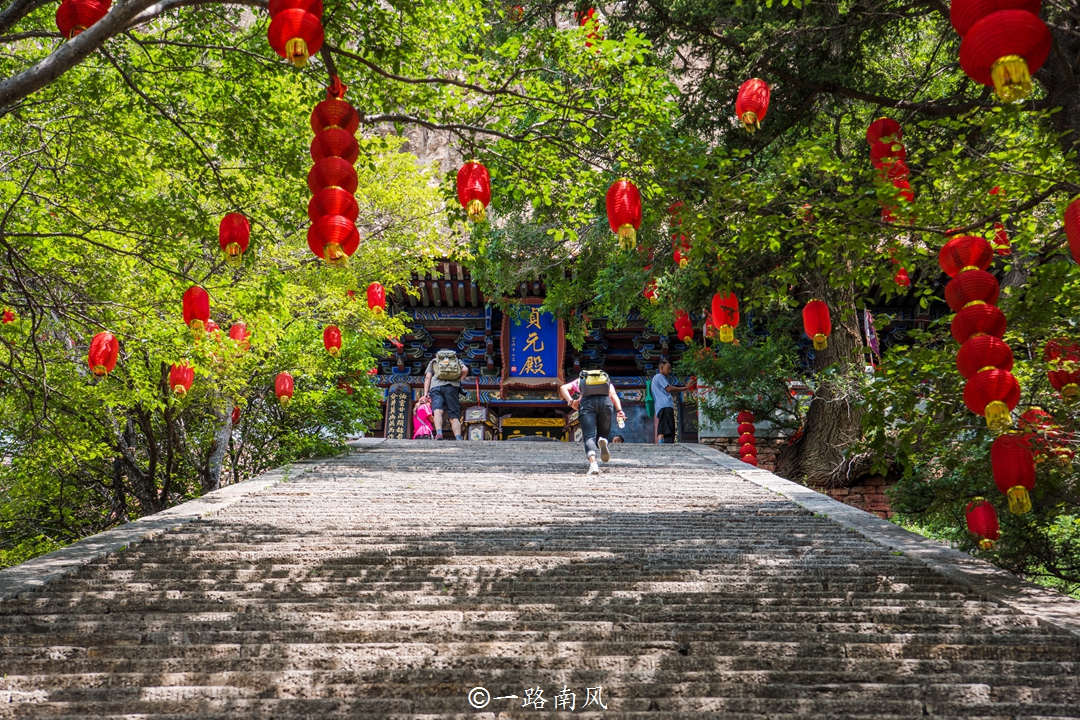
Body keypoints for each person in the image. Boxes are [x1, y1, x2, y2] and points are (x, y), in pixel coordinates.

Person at [559, 371, 626, 475]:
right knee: (603, 434)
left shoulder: (581, 380)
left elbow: (562, 388)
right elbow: (613, 395)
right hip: (605, 402)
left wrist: (571, 402)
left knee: (589, 435)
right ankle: (602, 440)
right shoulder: (605, 381)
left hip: (586, 403)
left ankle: (593, 464)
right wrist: (619, 411)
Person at [423, 350, 469, 440]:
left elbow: (428, 377)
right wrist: (459, 378)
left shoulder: (434, 361)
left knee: (437, 410)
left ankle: (439, 433)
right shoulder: (456, 360)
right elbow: (465, 370)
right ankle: (458, 438)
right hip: (452, 387)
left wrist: (425, 393)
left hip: (436, 387)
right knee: (454, 415)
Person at [651, 361, 693, 444]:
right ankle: (664, 443)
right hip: (665, 405)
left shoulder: (657, 378)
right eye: (668, 368)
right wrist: (685, 387)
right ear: (661, 368)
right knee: (668, 426)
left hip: (660, 406)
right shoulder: (659, 376)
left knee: (663, 425)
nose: (669, 371)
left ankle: (661, 442)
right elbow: (669, 389)